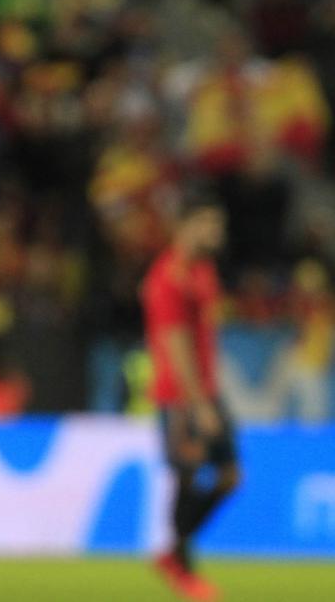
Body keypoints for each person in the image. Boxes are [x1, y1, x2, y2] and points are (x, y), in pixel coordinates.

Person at [142, 189, 240, 601]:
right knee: (189, 472)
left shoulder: (203, 270)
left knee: (229, 476)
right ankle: (181, 565)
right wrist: (198, 405)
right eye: (209, 224)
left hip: (206, 391)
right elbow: (175, 343)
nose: (218, 232)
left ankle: (173, 555)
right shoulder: (168, 278)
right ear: (184, 226)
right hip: (181, 396)